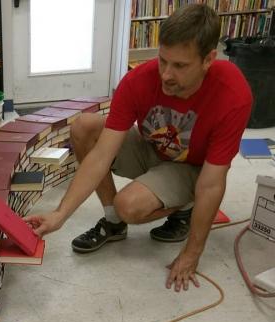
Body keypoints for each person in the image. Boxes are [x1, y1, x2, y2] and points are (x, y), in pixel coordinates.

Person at [25, 4, 252, 292]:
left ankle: (184, 207)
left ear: (209, 59)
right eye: (162, 61)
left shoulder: (232, 94)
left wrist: (192, 253)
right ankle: (113, 223)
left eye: (180, 66)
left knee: (129, 206)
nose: (167, 74)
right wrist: (60, 214)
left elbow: (212, 182)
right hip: (152, 147)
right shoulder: (138, 81)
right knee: (84, 126)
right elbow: (100, 156)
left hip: (192, 168)